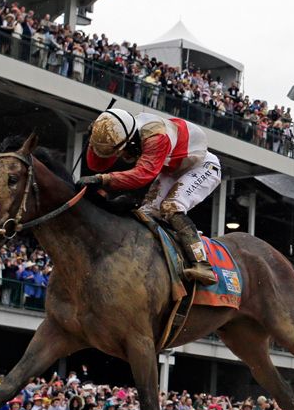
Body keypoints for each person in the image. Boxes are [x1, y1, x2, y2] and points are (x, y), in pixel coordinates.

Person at [78, 108, 222, 285]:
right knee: (145, 214)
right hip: (172, 168)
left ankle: (202, 264)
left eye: (121, 152)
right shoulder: (127, 130)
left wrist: (104, 179)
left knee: (172, 207)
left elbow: (143, 174)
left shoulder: (155, 136)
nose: (122, 156)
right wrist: (94, 143)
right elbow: (98, 165)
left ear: (130, 141)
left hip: (203, 166)